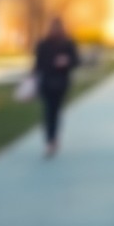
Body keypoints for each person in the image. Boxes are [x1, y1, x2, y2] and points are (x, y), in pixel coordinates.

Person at [34, 17, 81, 158]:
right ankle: (50, 140)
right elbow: (38, 63)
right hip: (47, 82)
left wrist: (66, 61)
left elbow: (76, 61)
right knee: (49, 111)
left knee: (55, 111)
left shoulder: (68, 44)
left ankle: (53, 138)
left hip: (61, 82)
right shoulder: (43, 44)